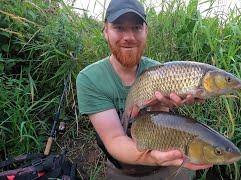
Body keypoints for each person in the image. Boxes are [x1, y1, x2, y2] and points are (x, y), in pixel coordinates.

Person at [76, 0, 213, 179]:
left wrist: (161, 106)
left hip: (169, 161)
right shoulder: (90, 78)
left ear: (146, 31)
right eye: (119, 27)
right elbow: (115, 139)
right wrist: (152, 158)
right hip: (123, 167)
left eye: (136, 27)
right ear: (105, 32)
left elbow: (164, 128)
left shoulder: (163, 72)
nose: (129, 36)